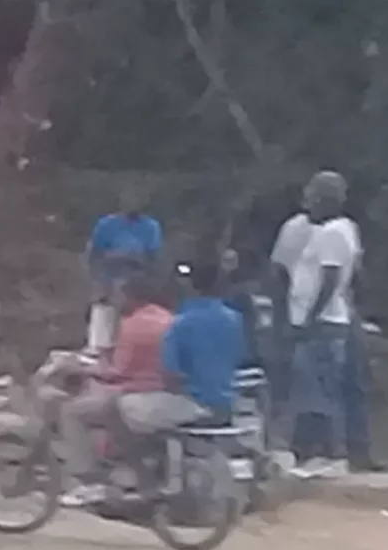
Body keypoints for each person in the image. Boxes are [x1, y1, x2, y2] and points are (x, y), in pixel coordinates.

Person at [60, 272, 177, 505]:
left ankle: (90, 481)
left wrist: (85, 369)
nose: (116, 299)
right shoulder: (168, 318)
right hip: (160, 389)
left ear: (131, 296)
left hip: (136, 391)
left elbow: (117, 371)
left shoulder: (132, 325)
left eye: (119, 294)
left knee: (71, 412)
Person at [277, 169, 362, 476]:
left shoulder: (331, 234)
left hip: (321, 322)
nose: (307, 203)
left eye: (312, 197)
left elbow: (329, 279)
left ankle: (331, 454)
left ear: (325, 200)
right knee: (313, 388)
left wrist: (309, 319)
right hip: (327, 320)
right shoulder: (344, 230)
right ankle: (312, 452)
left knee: (320, 389)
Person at [162, 262, 249, 426]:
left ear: (191, 286)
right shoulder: (235, 320)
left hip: (193, 409)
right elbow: (238, 358)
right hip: (225, 407)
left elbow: (170, 374)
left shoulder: (180, 323)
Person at [84, 200, 164, 353]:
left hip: (135, 282)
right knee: (100, 339)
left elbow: (153, 259)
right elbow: (93, 256)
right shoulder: (106, 224)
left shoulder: (151, 227)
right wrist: (99, 286)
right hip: (108, 283)